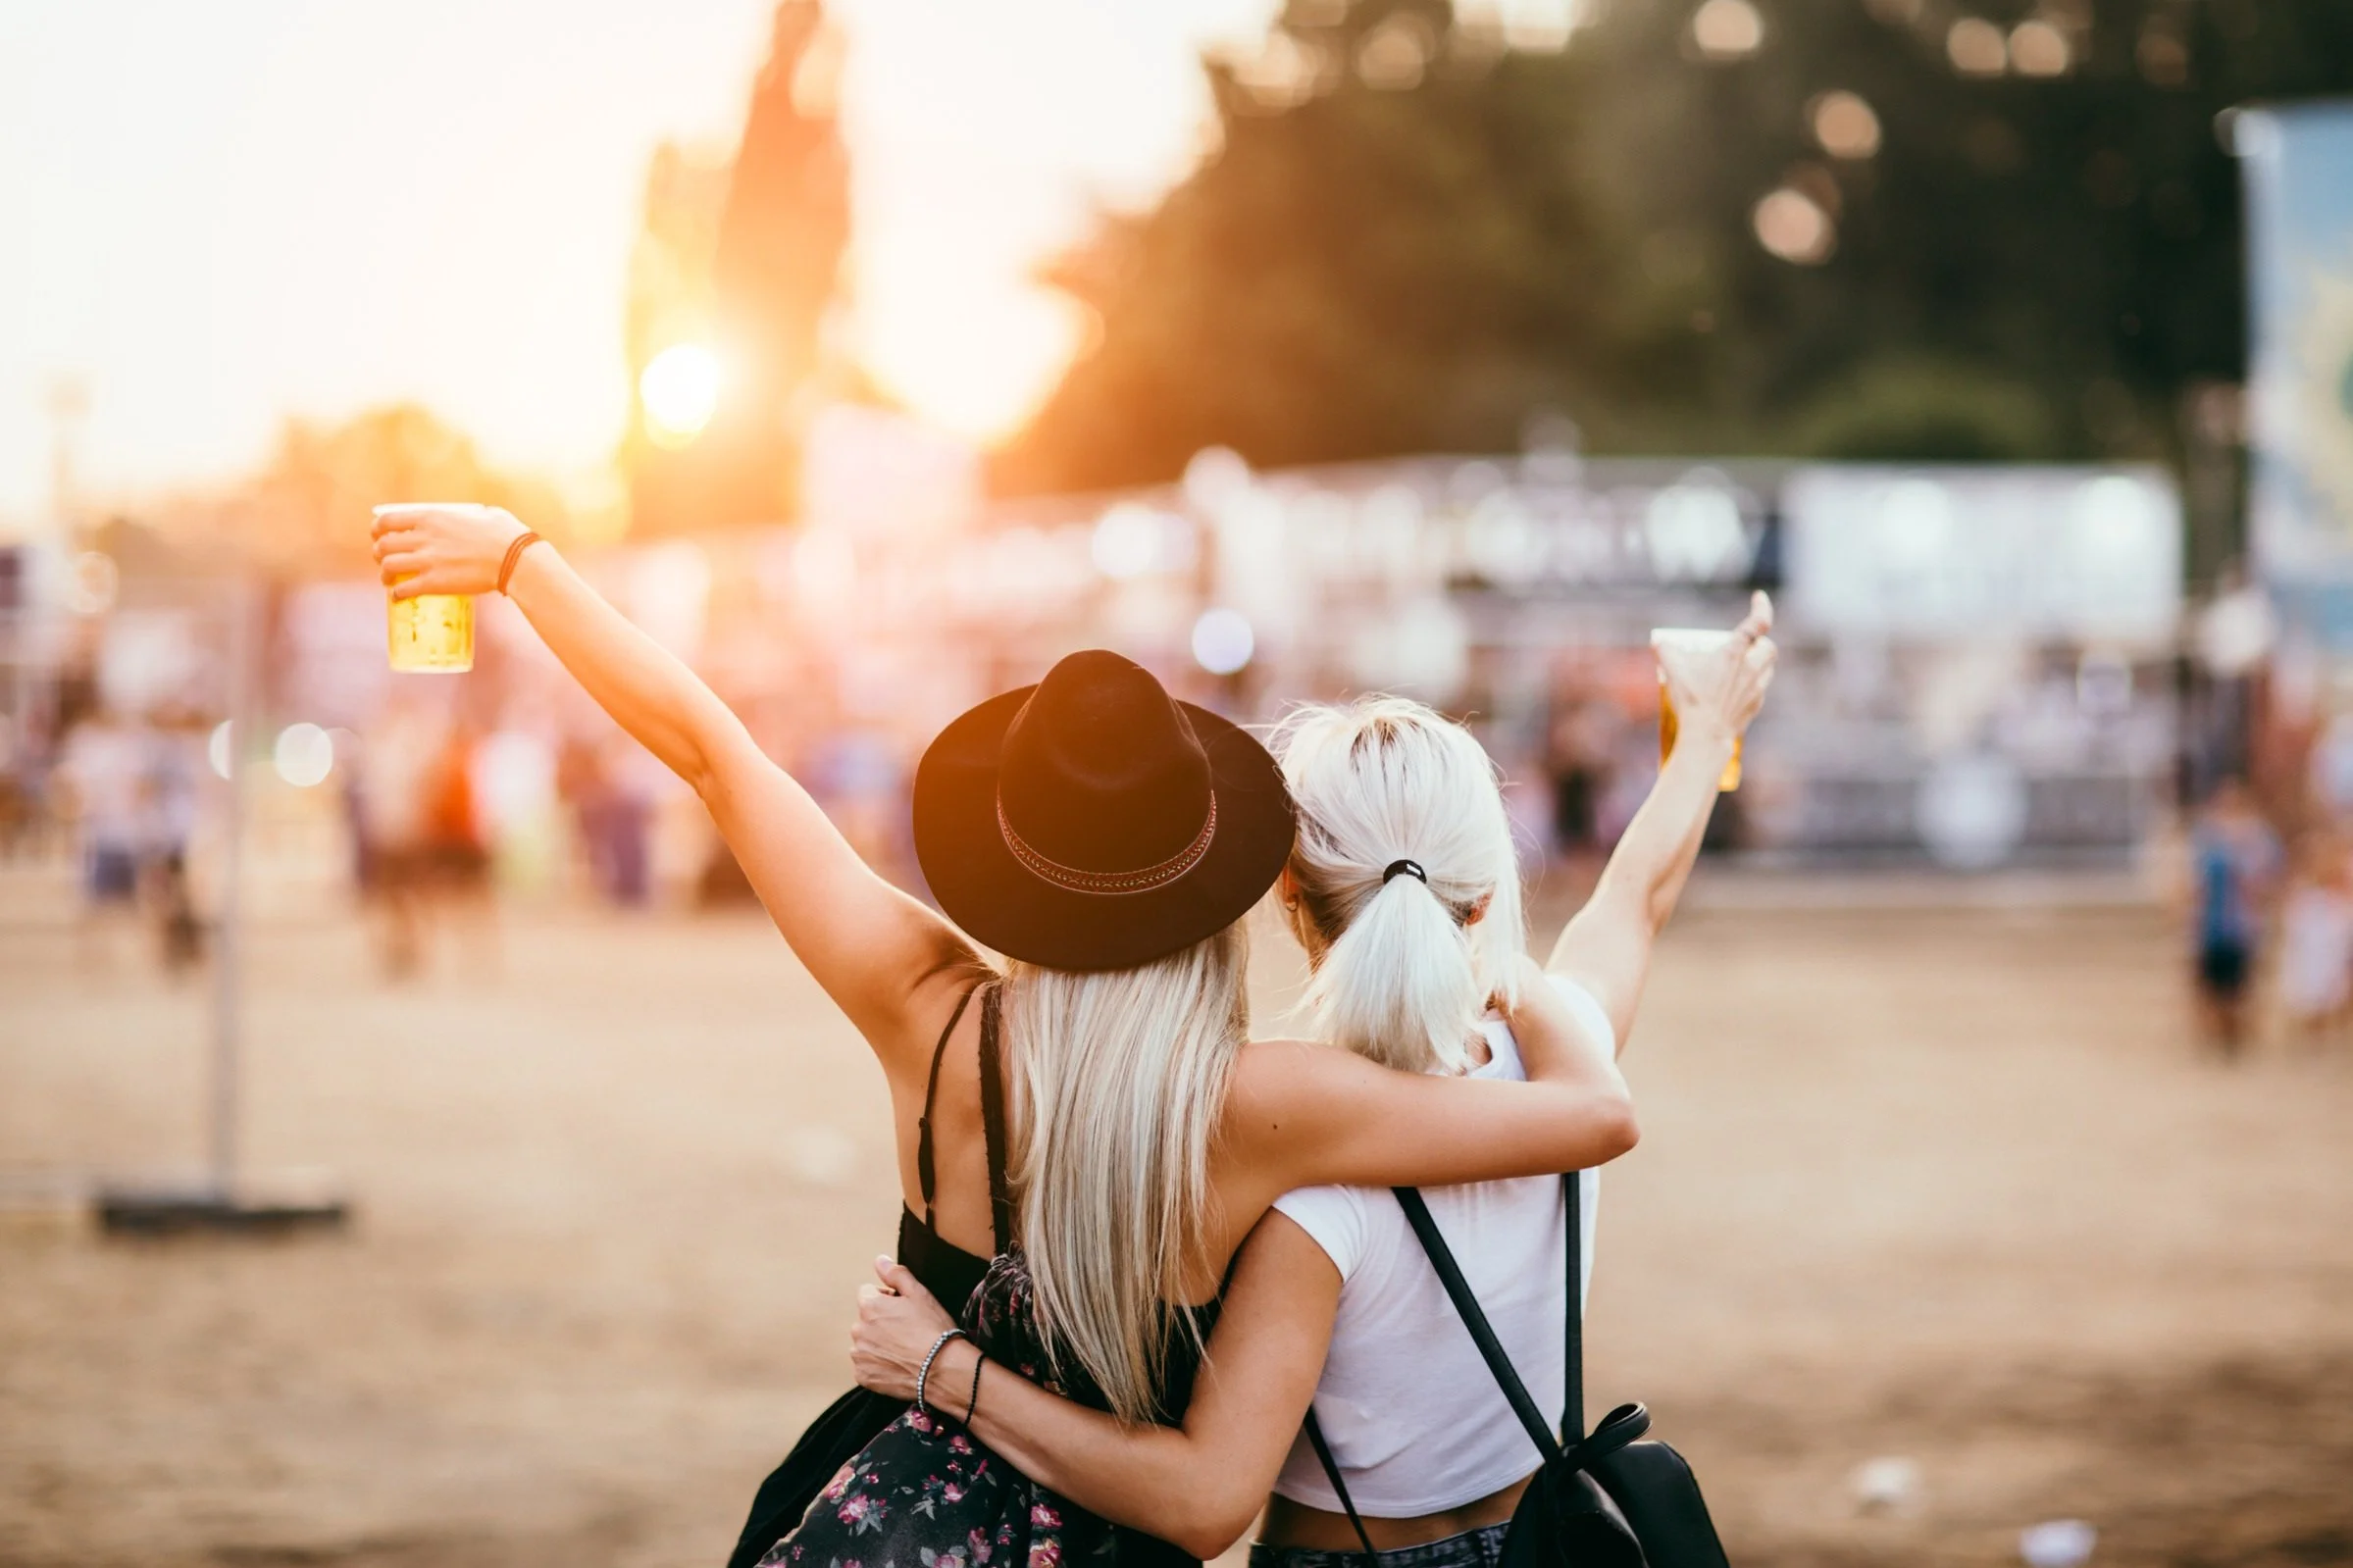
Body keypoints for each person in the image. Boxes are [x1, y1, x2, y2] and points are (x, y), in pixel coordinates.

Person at [369, 504, 1681, 1568]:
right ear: (1223, 881)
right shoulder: (1262, 1103)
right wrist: (1513, 969)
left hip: (890, 1527)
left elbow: (715, 753)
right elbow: (1584, 1115)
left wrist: (519, 564)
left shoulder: (925, 1013)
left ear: (1006, 857)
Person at [839, 611, 1771, 1565]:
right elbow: (1635, 898)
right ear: (1482, 889)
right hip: (1542, 1544)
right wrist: (1703, 732)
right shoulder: (1555, 1064)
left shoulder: (1295, 1173)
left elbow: (1204, 1493)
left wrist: (944, 1370)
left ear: (1287, 891)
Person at [2186, 778, 2280, 1056]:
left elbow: (2267, 879)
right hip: (2213, 923)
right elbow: (2195, 882)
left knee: (2238, 987)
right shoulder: (2207, 835)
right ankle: (2218, 1037)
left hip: (2240, 923)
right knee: (2212, 987)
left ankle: (2234, 1037)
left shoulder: (2257, 837)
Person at [2276, 830, 2353, 1044]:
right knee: (2311, 993)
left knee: (2330, 992)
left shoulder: (2336, 890)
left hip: (2330, 945)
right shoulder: (2304, 891)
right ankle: (2314, 1037)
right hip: (2312, 947)